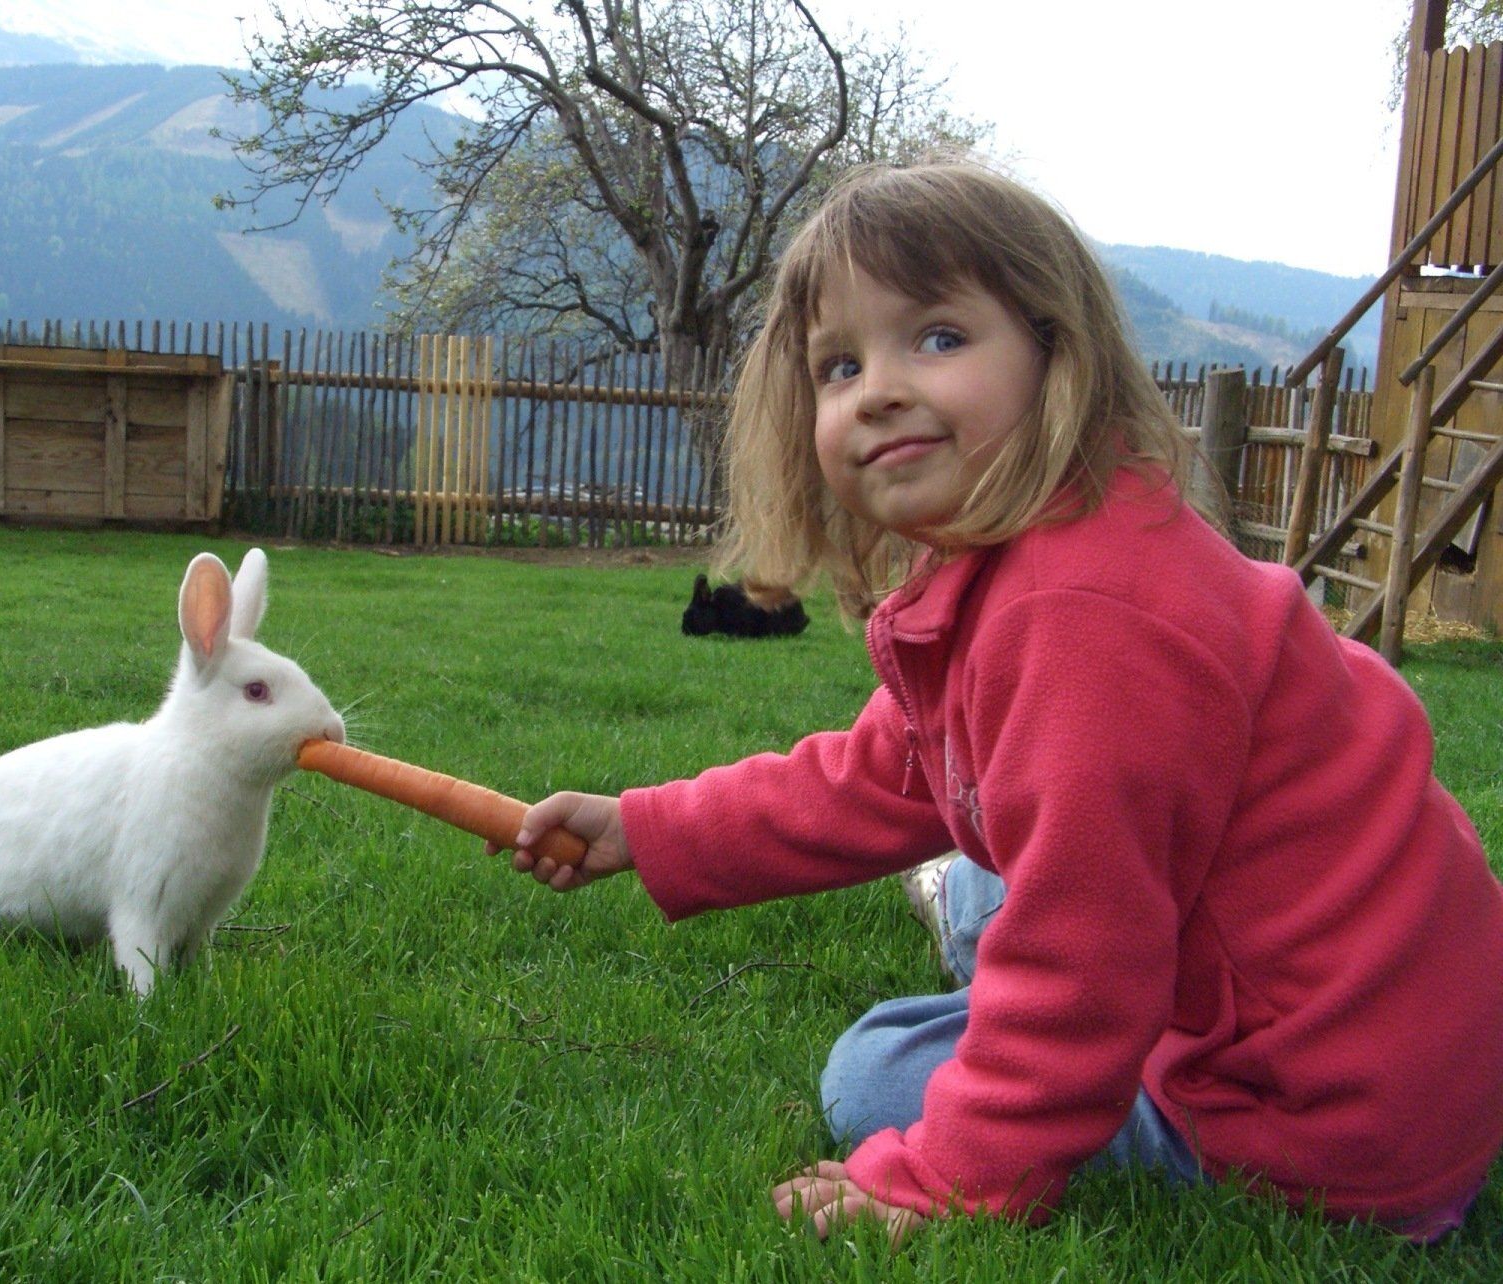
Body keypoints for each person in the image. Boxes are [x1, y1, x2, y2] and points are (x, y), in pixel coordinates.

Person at [506, 158, 1503, 1246]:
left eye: (939, 337)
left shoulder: (1082, 619)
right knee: (996, 848)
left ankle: (980, 937)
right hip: (1398, 1045)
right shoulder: (1053, 546)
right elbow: (887, 773)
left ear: (1055, 350)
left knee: (875, 1072)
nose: (878, 389)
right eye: (840, 365)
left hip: (1315, 1122)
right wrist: (650, 829)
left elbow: (1088, 960)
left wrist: (945, 1181)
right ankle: (975, 909)